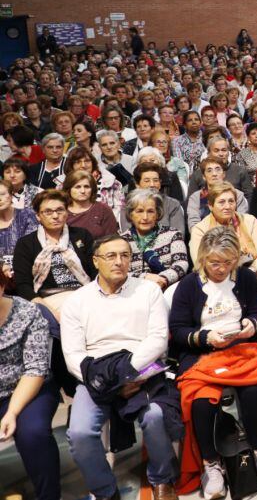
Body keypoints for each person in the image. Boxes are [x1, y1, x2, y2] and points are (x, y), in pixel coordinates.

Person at [61, 234, 181, 500]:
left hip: (143, 369)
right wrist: (111, 382)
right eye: (110, 256)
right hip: (96, 376)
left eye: (125, 255)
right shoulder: (76, 301)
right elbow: (72, 354)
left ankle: (162, 479)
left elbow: (158, 340)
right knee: (79, 432)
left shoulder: (148, 291)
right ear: (95, 261)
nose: (119, 262)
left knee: (155, 416)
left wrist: (129, 374)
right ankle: (105, 491)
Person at [168, 227, 257, 498]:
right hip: (202, 353)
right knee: (202, 401)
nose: (221, 269)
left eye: (228, 263)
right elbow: (179, 330)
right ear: (203, 258)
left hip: (239, 348)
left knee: (252, 391)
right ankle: (210, 463)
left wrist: (249, 326)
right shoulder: (188, 286)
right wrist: (206, 337)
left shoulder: (246, 279)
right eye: (214, 263)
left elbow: (256, 313)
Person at [0, 289, 61, 500]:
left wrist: (12, 412)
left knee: (33, 432)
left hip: (28, 389)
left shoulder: (27, 312)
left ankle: (49, 496)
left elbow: (35, 369)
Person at [13, 190, 95, 320]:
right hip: (48, 300)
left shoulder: (82, 235)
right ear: (38, 216)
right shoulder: (26, 243)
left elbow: (96, 271)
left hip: (85, 295)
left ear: (67, 213)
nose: (55, 216)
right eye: (48, 212)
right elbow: (23, 285)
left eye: (60, 210)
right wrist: (47, 310)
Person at [190, 184, 257, 275]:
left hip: (251, 272)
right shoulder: (200, 229)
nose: (227, 206)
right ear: (210, 206)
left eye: (231, 201)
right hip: (216, 277)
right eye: (221, 202)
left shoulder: (250, 221)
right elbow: (199, 263)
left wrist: (251, 272)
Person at [121, 189, 189, 289]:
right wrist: (145, 277)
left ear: (157, 214)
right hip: (132, 291)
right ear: (131, 215)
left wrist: (163, 279)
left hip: (167, 289)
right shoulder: (122, 241)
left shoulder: (173, 234)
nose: (145, 217)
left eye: (150, 211)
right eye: (139, 211)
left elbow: (181, 264)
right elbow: (120, 271)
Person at [186, 157, 250, 231]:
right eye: (209, 171)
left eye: (218, 169)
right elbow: (193, 225)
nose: (214, 174)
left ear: (224, 174)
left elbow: (242, 221)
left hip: (233, 236)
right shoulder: (195, 197)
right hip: (205, 238)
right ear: (204, 177)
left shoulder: (237, 195)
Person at [63, 170, 119, 240]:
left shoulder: (103, 210)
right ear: (69, 189)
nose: (83, 191)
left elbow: (112, 239)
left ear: (92, 189)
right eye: (77, 187)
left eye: (86, 187)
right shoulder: (61, 210)